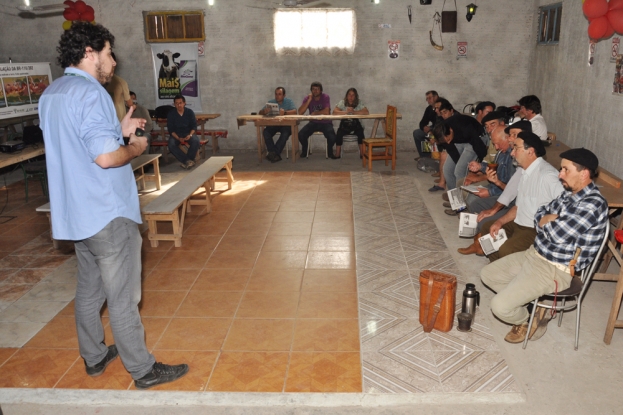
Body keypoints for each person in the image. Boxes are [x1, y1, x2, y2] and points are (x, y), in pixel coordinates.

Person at [39, 21, 188, 389]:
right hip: (107, 212)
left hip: (76, 213)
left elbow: (76, 143)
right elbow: (105, 159)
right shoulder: (91, 95)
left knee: (89, 290)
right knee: (123, 296)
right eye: (108, 52)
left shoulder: (53, 93)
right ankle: (142, 369)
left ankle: (94, 357)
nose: (113, 61)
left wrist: (117, 129)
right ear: (89, 53)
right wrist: (135, 146)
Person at [480, 148, 608, 344]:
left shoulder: (593, 203)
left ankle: (529, 321)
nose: (560, 174)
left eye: (565, 170)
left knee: (500, 307)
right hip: (534, 254)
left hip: (555, 269)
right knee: (487, 275)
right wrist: (550, 219)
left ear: (584, 173)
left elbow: (556, 234)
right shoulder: (569, 194)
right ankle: (531, 312)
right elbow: (539, 214)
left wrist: (548, 221)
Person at [457, 132, 564, 260]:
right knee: (488, 227)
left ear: (530, 151)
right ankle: (497, 265)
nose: (512, 153)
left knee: (507, 250)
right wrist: (499, 221)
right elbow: (518, 206)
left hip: (534, 229)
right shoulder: (525, 171)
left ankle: (504, 267)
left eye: (516, 148)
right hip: (518, 221)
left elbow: (566, 208)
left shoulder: (548, 176)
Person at [431, 99, 487, 206]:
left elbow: (479, 146)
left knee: (459, 171)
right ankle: (455, 202)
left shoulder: (465, 128)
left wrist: (483, 166)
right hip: (459, 141)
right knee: (447, 169)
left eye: (447, 139)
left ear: (451, 131)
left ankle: (462, 204)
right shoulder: (443, 134)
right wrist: (459, 162)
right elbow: (453, 152)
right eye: (444, 141)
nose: (447, 142)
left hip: (475, 139)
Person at [464, 126, 516, 220]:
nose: (496, 147)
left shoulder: (513, 157)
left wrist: (490, 192)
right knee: (470, 194)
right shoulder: (502, 152)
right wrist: (480, 167)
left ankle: (477, 224)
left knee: (474, 201)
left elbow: (512, 188)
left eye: (498, 144)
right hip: (496, 186)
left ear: (507, 139)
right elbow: (494, 168)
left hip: (504, 192)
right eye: (494, 144)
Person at [297, 81, 338, 159]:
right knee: (301, 135)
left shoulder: (325, 97)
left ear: (321, 90)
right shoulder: (308, 98)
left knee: (332, 137)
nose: (315, 91)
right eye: (313, 89)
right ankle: (305, 150)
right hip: (313, 122)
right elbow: (300, 112)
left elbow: (327, 111)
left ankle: (330, 152)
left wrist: (315, 113)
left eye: (317, 89)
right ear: (311, 90)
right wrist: (309, 100)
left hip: (325, 122)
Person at [259, 86, 297, 163]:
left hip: (286, 125)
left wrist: (285, 113)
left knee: (285, 133)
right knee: (266, 132)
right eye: (276, 94)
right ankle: (274, 154)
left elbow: (295, 111)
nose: (277, 96)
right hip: (274, 124)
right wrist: (264, 112)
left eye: (279, 94)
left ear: (284, 95)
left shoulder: (289, 101)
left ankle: (273, 153)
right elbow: (260, 112)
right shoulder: (271, 102)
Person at [333, 87, 369, 158]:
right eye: (349, 95)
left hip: (356, 126)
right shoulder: (342, 102)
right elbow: (334, 112)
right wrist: (346, 112)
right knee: (339, 133)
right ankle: (337, 154)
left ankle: (362, 154)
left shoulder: (359, 102)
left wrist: (354, 112)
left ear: (356, 96)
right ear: (346, 95)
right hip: (344, 126)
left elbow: (366, 112)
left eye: (353, 95)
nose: (351, 97)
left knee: (360, 132)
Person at [167, 94, 200, 169]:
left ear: (184, 103)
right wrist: (178, 138)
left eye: (180, 103)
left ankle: (188, 161)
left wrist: (190, 135)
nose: (179, 105)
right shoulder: (171, 114)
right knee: (171, 144)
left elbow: (194, 126)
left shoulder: (189, 112)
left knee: (196, 141)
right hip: (176, 134)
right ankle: (187, 161)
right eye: (177, 103)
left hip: (188, 133)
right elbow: (171, 129)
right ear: (174, 104)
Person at [105, 52, 133, 123]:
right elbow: (130, 104)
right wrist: (134, 106)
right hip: (119, 122)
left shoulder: (94, 81)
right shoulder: (121, 82)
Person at [413, 90, 438, 160]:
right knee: (417, 133)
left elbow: (442, 123)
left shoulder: (443, 106)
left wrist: (431, 131)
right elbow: (422, 122)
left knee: (430, 135)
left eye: (429, 98)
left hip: (441, 129)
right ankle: (425, 156)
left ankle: (435, 155)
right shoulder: (429, 109)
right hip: (432, 128)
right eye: (427, 99)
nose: (428, 100)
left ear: (436, 97)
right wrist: (424, 127)